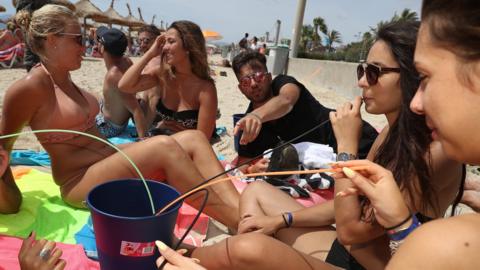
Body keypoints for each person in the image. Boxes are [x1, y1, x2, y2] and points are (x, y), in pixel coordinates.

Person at [0, 5, 239, 230]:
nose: (86, 48)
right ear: (52, 40)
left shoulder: (63, 79)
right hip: (79, 182)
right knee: (163, 146)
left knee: (195, 138)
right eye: (78, 40)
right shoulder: (31, 87)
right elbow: (3, 147)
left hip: (108, 163)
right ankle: (239, 223)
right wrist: (11, 201)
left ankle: (241, 212)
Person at [333, 0, 480, 269]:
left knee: (247, 249)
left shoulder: (436, 152)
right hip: (353, 252)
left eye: (425, 76)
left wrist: (346, 147)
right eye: (363, 70)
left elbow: (349, 232)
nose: (417, 103)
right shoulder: (391, 131)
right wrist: (287, 218)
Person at [231, 51, 378, 173]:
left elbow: (286, 100)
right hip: (329, 167)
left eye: (258, 76)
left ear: (269, 77)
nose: (253, 84)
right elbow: (241, 165)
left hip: (355, 139)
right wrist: (252, 170)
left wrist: (258, 116)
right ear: (240, 88)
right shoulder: (248, 122)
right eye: (245, 81)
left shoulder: (283, 84)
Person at [118, 20, 218, 140]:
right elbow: (124, 86)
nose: (164, 47)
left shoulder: (205, 89)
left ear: (188, 46)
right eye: (164, 42)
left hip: (185, 148)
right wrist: (150, 53)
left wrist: (183, 134)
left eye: (171, 42)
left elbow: (202, 141)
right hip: (162, 140)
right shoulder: (163, 75)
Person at [94, 26, 148, 138]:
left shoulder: (114, 76)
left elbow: (137, 111)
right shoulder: (126, 61)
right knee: (88, 95)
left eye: (99, 41)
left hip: (108, 127)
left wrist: (143, 140)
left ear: (102, 48)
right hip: (115, 116)